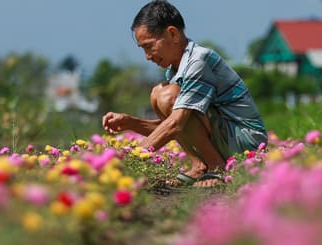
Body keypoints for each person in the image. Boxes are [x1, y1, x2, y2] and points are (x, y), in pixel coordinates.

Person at [102, 0, 268, 188]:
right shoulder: (175, 69)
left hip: (246, 143)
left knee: (167, 96)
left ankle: (216, 166)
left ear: (172, 34)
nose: (148, 56)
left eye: (149, 46)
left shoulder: (198, 61)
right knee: (158, 93)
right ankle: (200, 166)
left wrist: (131, 158)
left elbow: (176, 123)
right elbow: (181, 127)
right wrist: (131, 123)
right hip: (226, 136)